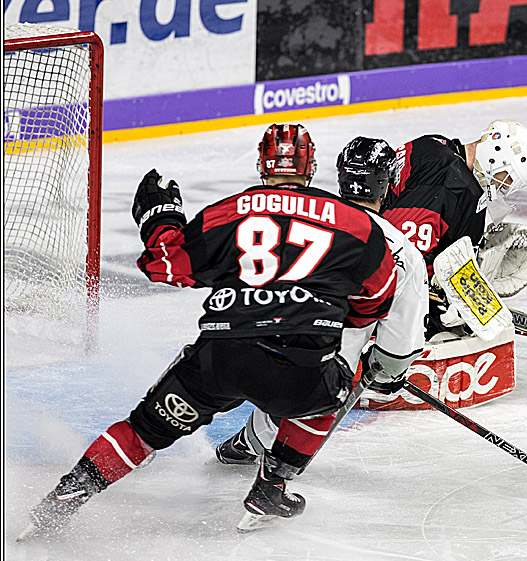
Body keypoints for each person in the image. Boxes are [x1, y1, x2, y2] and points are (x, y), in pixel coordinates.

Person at [21, 124, 400, 537]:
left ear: (262, 165)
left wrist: (159, 218)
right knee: (340, 384)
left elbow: (165, 265)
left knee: (144, 430)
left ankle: (61, 499)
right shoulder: (356, 224)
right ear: (311, 167)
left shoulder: (228, 212)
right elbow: (377, 299)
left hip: (221, 356)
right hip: (299, 365)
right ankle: (271, 487)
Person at [215, 136, 429, 464]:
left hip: (240, 339)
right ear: (387, 185)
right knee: (318, 385)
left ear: (341, 178)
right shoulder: (404, 253)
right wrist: (387, 373)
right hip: (311, 367)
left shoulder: (300, 215)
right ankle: (268, 464)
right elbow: (396, 349)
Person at [381, 119, 527, 337]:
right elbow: (400, 251)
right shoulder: (454, 185)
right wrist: (442, 296)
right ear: (495, 155)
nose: (504, 188)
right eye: (507, 178)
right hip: (384, 288)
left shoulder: (437, 144)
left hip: (372, 241)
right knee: (447, 334)